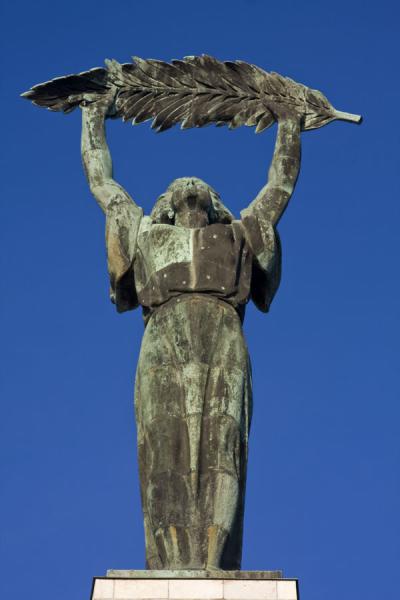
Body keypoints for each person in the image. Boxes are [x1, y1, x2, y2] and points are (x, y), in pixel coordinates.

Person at [80, 88, 301, 570]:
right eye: (180, 183)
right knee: (165, 450)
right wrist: (93, 120)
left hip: (223, 334)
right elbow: (103, 184)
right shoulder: (146, 234)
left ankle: (215, 559)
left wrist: (290, 125)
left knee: (224, 445)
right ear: (167, 202)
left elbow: (278, 190)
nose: (190, 183)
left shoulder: (239, 234)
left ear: (214, 201)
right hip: (163, 337)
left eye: (200, 182)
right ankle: (169, 561)